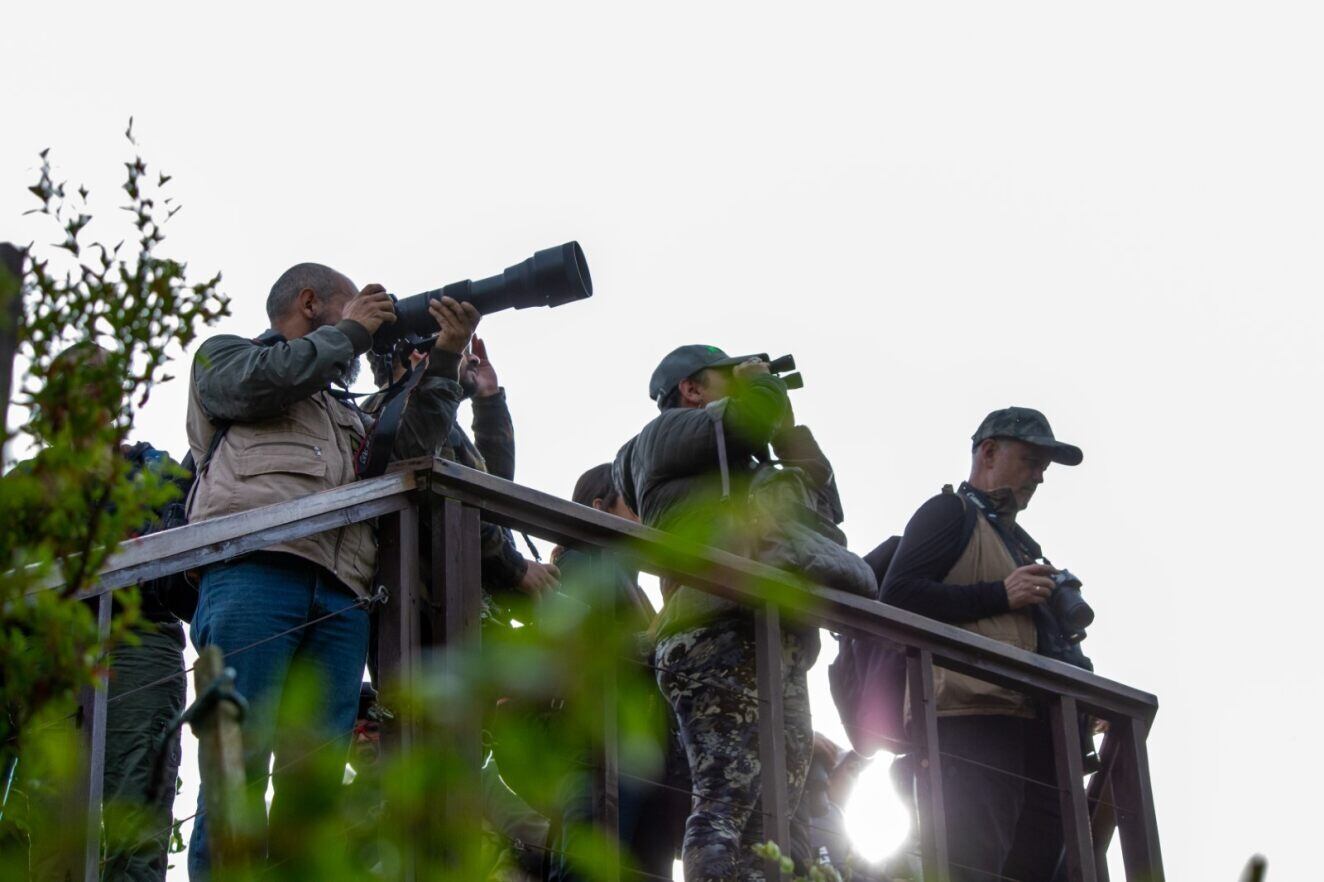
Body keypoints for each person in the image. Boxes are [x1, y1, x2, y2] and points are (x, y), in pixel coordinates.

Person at [183, 263, 477, 877]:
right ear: (311, 303)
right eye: (355, 305)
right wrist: (353, 333)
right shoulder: (228, 358)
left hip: (343, 594)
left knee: (312, 792)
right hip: (253, 573)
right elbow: (260, 383)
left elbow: (409, 450)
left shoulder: (342, 409)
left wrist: (445, 362)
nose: (371, 319)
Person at [615, 345, 872, 881]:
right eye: (728, 377)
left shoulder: (740, 454)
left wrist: (787, 427)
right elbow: (742, 424)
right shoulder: (659, 439)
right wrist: (761, 391)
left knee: (777, 815)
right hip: (714, 633)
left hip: (778, 638)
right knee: (726, 801)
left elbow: (823, 501)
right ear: (690, 388)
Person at [879, 406, 1093, 882]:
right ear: (989, 451)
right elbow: (897, 595)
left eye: (1044, 467)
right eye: (1031, 460)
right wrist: (1001, 593)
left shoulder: (1020, 543)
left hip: (1031, 731)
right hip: (969, 722)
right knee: (973, 866)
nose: (1039, 476)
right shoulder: (947, 513)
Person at [547, 463, 687, 882]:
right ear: (599, 507)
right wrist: (659, 633)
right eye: (633, 503)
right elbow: (582, 652)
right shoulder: (577, 566)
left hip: (639, 753)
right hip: (598, 746)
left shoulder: (635, 591)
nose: (645, 516)